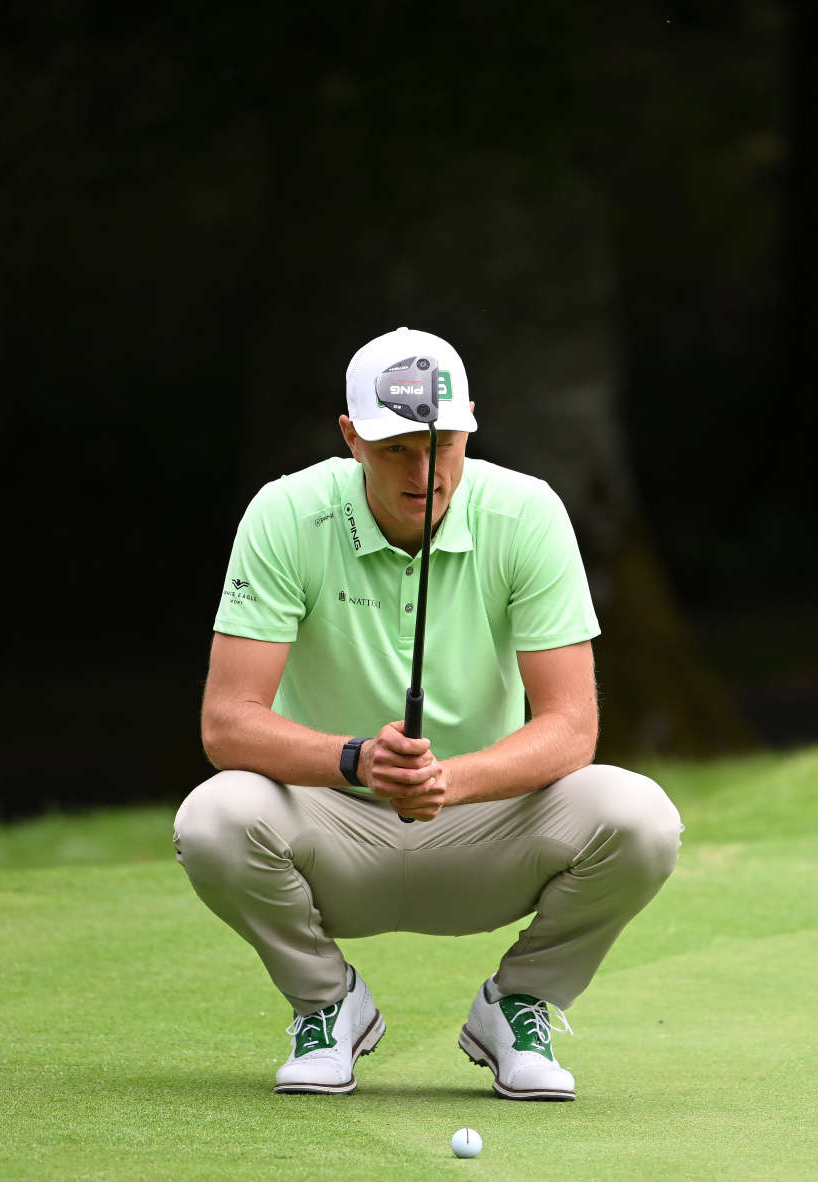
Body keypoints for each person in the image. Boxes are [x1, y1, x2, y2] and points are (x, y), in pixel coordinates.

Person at [173, 327, 683, 1099]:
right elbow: (227, 723)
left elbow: (573, 726)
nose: (423, 473)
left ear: (469, 423)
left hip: (487, 826)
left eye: (440, 446)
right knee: (213, 817)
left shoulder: (527, 513)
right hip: (331, 828)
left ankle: (519, 1006)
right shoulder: (285, 514)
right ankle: (326, 1004)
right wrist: (356, 760)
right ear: (350, 437)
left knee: (640, 816)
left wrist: (452, 779)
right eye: (394, 450)